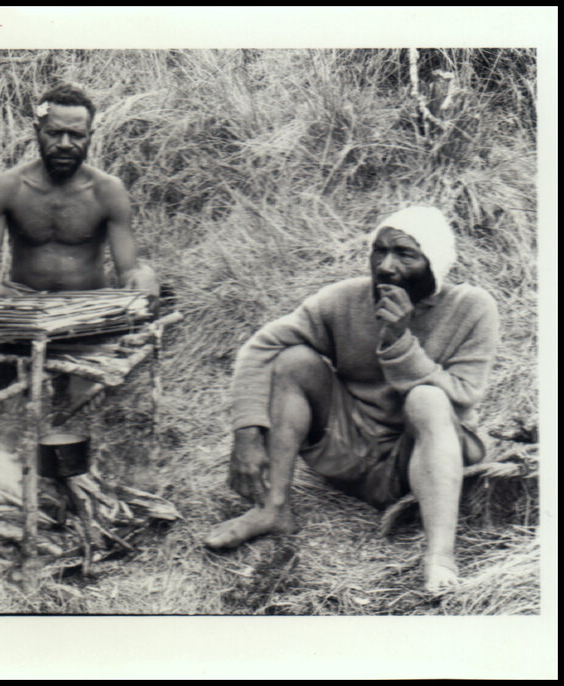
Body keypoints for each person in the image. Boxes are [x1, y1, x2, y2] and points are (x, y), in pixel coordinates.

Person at [205, 206, 500, 593]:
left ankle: (440, 556)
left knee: (427, 399)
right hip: (350, 453)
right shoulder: (344, 300)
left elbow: (462, 395)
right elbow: (260, 347)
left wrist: (399, 341)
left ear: (436, 262)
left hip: (423, 460)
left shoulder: (473, 308)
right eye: (379, 251)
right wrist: (246, 431)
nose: (386, 266)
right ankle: (273, 508)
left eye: (405, 254)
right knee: (294, 361)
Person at [0, 83, 158, 302]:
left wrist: (140, 279)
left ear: (90, 135)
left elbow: (126, 270)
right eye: (55, 133)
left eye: (76, 135)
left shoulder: (108, 191)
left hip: (89, 306)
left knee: (147, 283)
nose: (65, 144)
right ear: (37, 131)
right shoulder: (7, 187)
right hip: (24, 304)